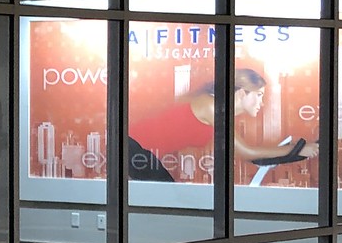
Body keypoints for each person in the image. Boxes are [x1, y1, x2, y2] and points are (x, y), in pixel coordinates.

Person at [127, 66, 312, 179]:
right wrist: (297, 150)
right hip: (133, 149)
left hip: (141, 153)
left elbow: (253, 157)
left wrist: (294, 151)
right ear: (241, 93)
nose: (262, 103)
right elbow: (248, 153)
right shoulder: (212, 106)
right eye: (259, 95)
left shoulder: (219, 109)